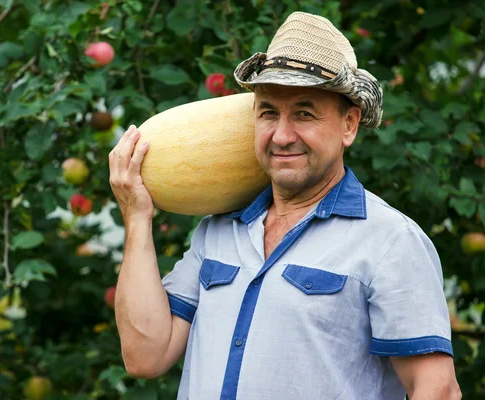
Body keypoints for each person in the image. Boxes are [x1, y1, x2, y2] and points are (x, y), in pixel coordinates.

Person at [109, 11, 462, 400]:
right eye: (268, 113)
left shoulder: (390, 241)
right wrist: (137, 217)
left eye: (304, 114)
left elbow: (438, 390)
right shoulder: (219, 230)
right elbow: (145, 356)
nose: (282, 135)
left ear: (349, 125)